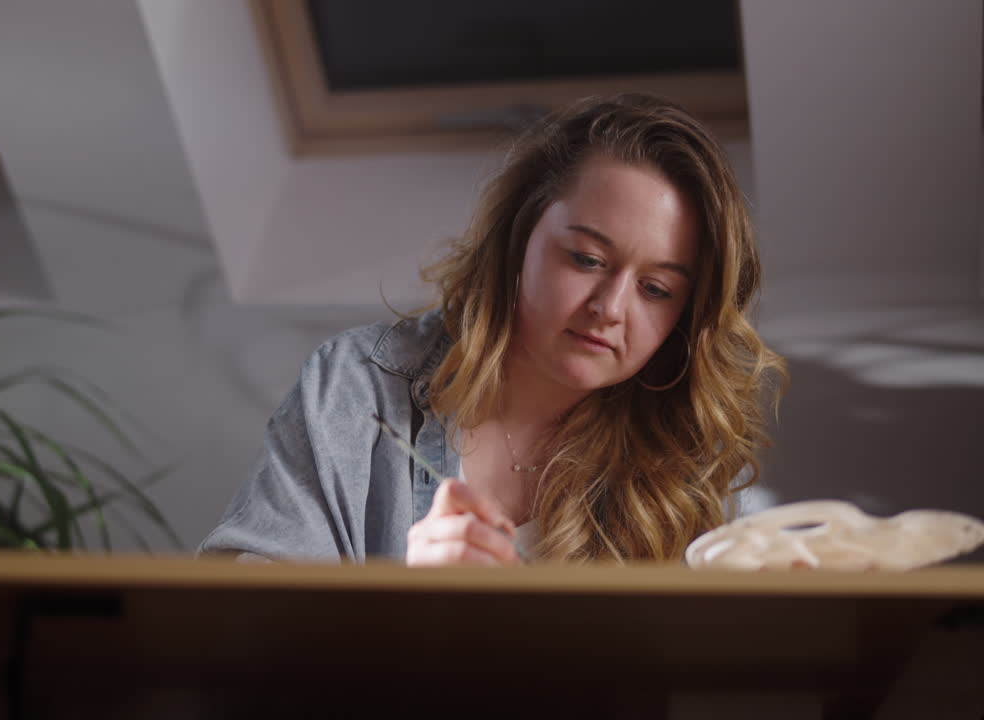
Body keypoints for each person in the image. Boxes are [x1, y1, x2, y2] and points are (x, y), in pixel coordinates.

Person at [199, 93, 787, 566]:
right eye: (586, 259)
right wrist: (404, 611)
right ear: (521, 235)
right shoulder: (357, 389)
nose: (610, 308)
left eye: (656, 289)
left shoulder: (691, 465)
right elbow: (245, 625)